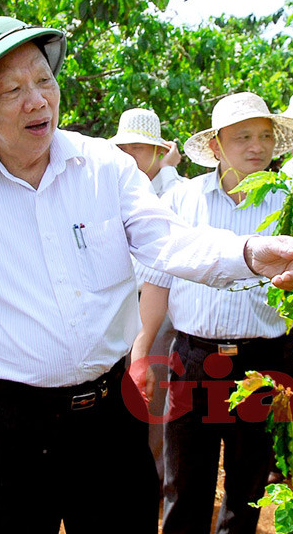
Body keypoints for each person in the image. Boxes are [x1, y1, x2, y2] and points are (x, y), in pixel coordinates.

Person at [0, 16, 293, 534]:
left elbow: (169, 240)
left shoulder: (104, 168)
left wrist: (249, 252)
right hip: (6, 430)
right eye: (12, 89)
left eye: (44, 80)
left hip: (106, 418)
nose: (38, 100)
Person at [131, 92, 293, 534]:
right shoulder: (182, 201)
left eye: (265, 136)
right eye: (242, 136)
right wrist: (141, 351)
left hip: (264, 362)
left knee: (248, 483)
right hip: (192, 359)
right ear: (216, 147)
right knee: (185, 481)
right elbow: (157, 281)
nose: (256, 146)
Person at [110, 107, 186, 492]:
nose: (129, 157)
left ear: (158, 152)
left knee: (154, 399)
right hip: (120, 307)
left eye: (137, 149)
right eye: (123, 149)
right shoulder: (117, 187)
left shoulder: (176, 194)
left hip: (160, 309)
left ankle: (155, 479)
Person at [110, 107, 185, 197]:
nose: (128, 155)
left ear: (157, 149)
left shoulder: (183, 189)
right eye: (122, 149)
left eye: (136, 147)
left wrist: (167, 166)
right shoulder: (115, 188)